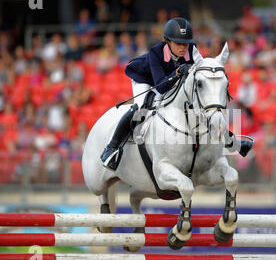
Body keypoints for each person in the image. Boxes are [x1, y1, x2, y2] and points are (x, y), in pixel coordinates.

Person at [100, 18, 253, 171]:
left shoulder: (191, 49)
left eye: (185, 43)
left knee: (205, 109)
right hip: (147, 80)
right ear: (167, 41)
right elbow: (161, 87)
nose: (183, 48)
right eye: (178, 43)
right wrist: (178, 71)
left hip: (171, 80)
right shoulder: (155, 53)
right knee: (139, 108)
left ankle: (233, 141)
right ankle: (112, 148)